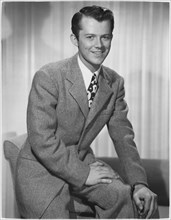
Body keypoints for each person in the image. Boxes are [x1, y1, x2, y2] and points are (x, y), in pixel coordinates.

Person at [15, 5, 158, 219]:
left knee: (125, 196)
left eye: (105, 37)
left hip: (82, 162)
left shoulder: (114, 82)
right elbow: (41, 140)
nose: (99, 45)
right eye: (90, 37)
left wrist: (139, 183)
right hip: (41, 171)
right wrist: (84, 173)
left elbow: (123, 137)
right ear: (75, 39)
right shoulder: (48, 76)